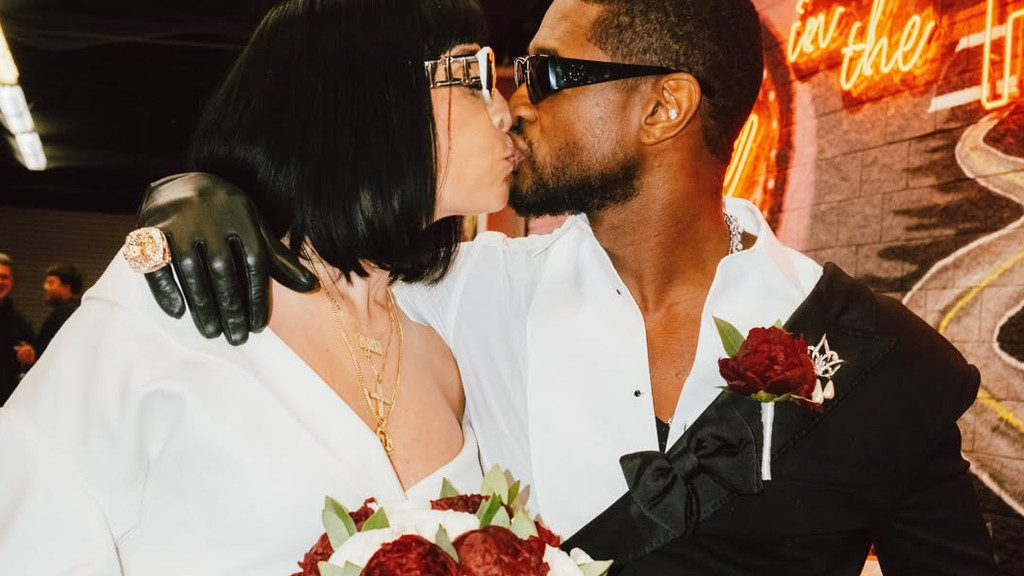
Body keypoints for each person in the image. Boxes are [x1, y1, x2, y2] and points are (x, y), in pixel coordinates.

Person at [130, 0, 1001, 574]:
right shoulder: (459, 295)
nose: (513, 105)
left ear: (663, 108)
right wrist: (198, 192)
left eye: (547, 75)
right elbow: (314, 256)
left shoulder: (883, 360)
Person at [0, 0, 513, 573]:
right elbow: (28, 522)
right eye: (474, 76)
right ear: (368, 95)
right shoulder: (177, 294)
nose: (505, 112)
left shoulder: (439, 349)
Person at [0, 253, 35, 405]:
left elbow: (33, 362)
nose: (0, 282)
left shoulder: (20, 323)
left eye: (4, 277)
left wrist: (29, 358)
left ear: (11, 282)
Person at [35, 263, 83, 357]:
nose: (45, 287)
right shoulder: (81, 310)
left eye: (51, 283)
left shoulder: (62, 315)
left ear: (66, 288)